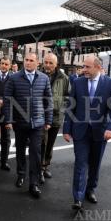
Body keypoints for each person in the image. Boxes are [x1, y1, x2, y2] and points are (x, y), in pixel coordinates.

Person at [63, 55, 111, 211]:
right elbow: (70, 107)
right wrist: (66, 129)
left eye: (87, 67)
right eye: (83, 67)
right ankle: (78, 198)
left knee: (95, 164)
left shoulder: (110, 83)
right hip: (80, 131)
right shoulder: (78, 82)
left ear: (98, 67)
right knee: (80, 163)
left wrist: (110, 127)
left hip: (100, 132)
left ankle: (91, 189)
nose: (84, 70)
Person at [3, 52, 53, 199]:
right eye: (26, 60)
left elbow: (48, 100)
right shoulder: (14, 78)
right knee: (19, 150)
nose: (28, 63)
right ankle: (20, 174)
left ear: (38, 63)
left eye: (31, 60)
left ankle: (34, 183)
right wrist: (9, 120)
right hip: (20, 122)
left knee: (36, 154)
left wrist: (48, 121)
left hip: (38, 123)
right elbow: (7, 101)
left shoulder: (44, 78)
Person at [40, 53, 70, 183]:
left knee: (50, 143)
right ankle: (39, 168)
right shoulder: (38, 75)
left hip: (56, 116)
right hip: (40, 115)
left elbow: (68, 96)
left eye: (50, 63)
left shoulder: (64, 78)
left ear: (56, 64)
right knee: (42, 142)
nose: (47, 65)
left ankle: (46, 165)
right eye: (46, 62)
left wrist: (60, 106)